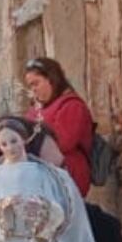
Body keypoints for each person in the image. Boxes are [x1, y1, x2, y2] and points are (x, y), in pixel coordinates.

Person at [20, 56, 97, 197]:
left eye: (36, 84)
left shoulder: (72, 106)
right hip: (41, 175)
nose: (33, 90)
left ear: (52, 80)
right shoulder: (36, 109)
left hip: (67, 176)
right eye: (30, 86)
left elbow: (63, 142)